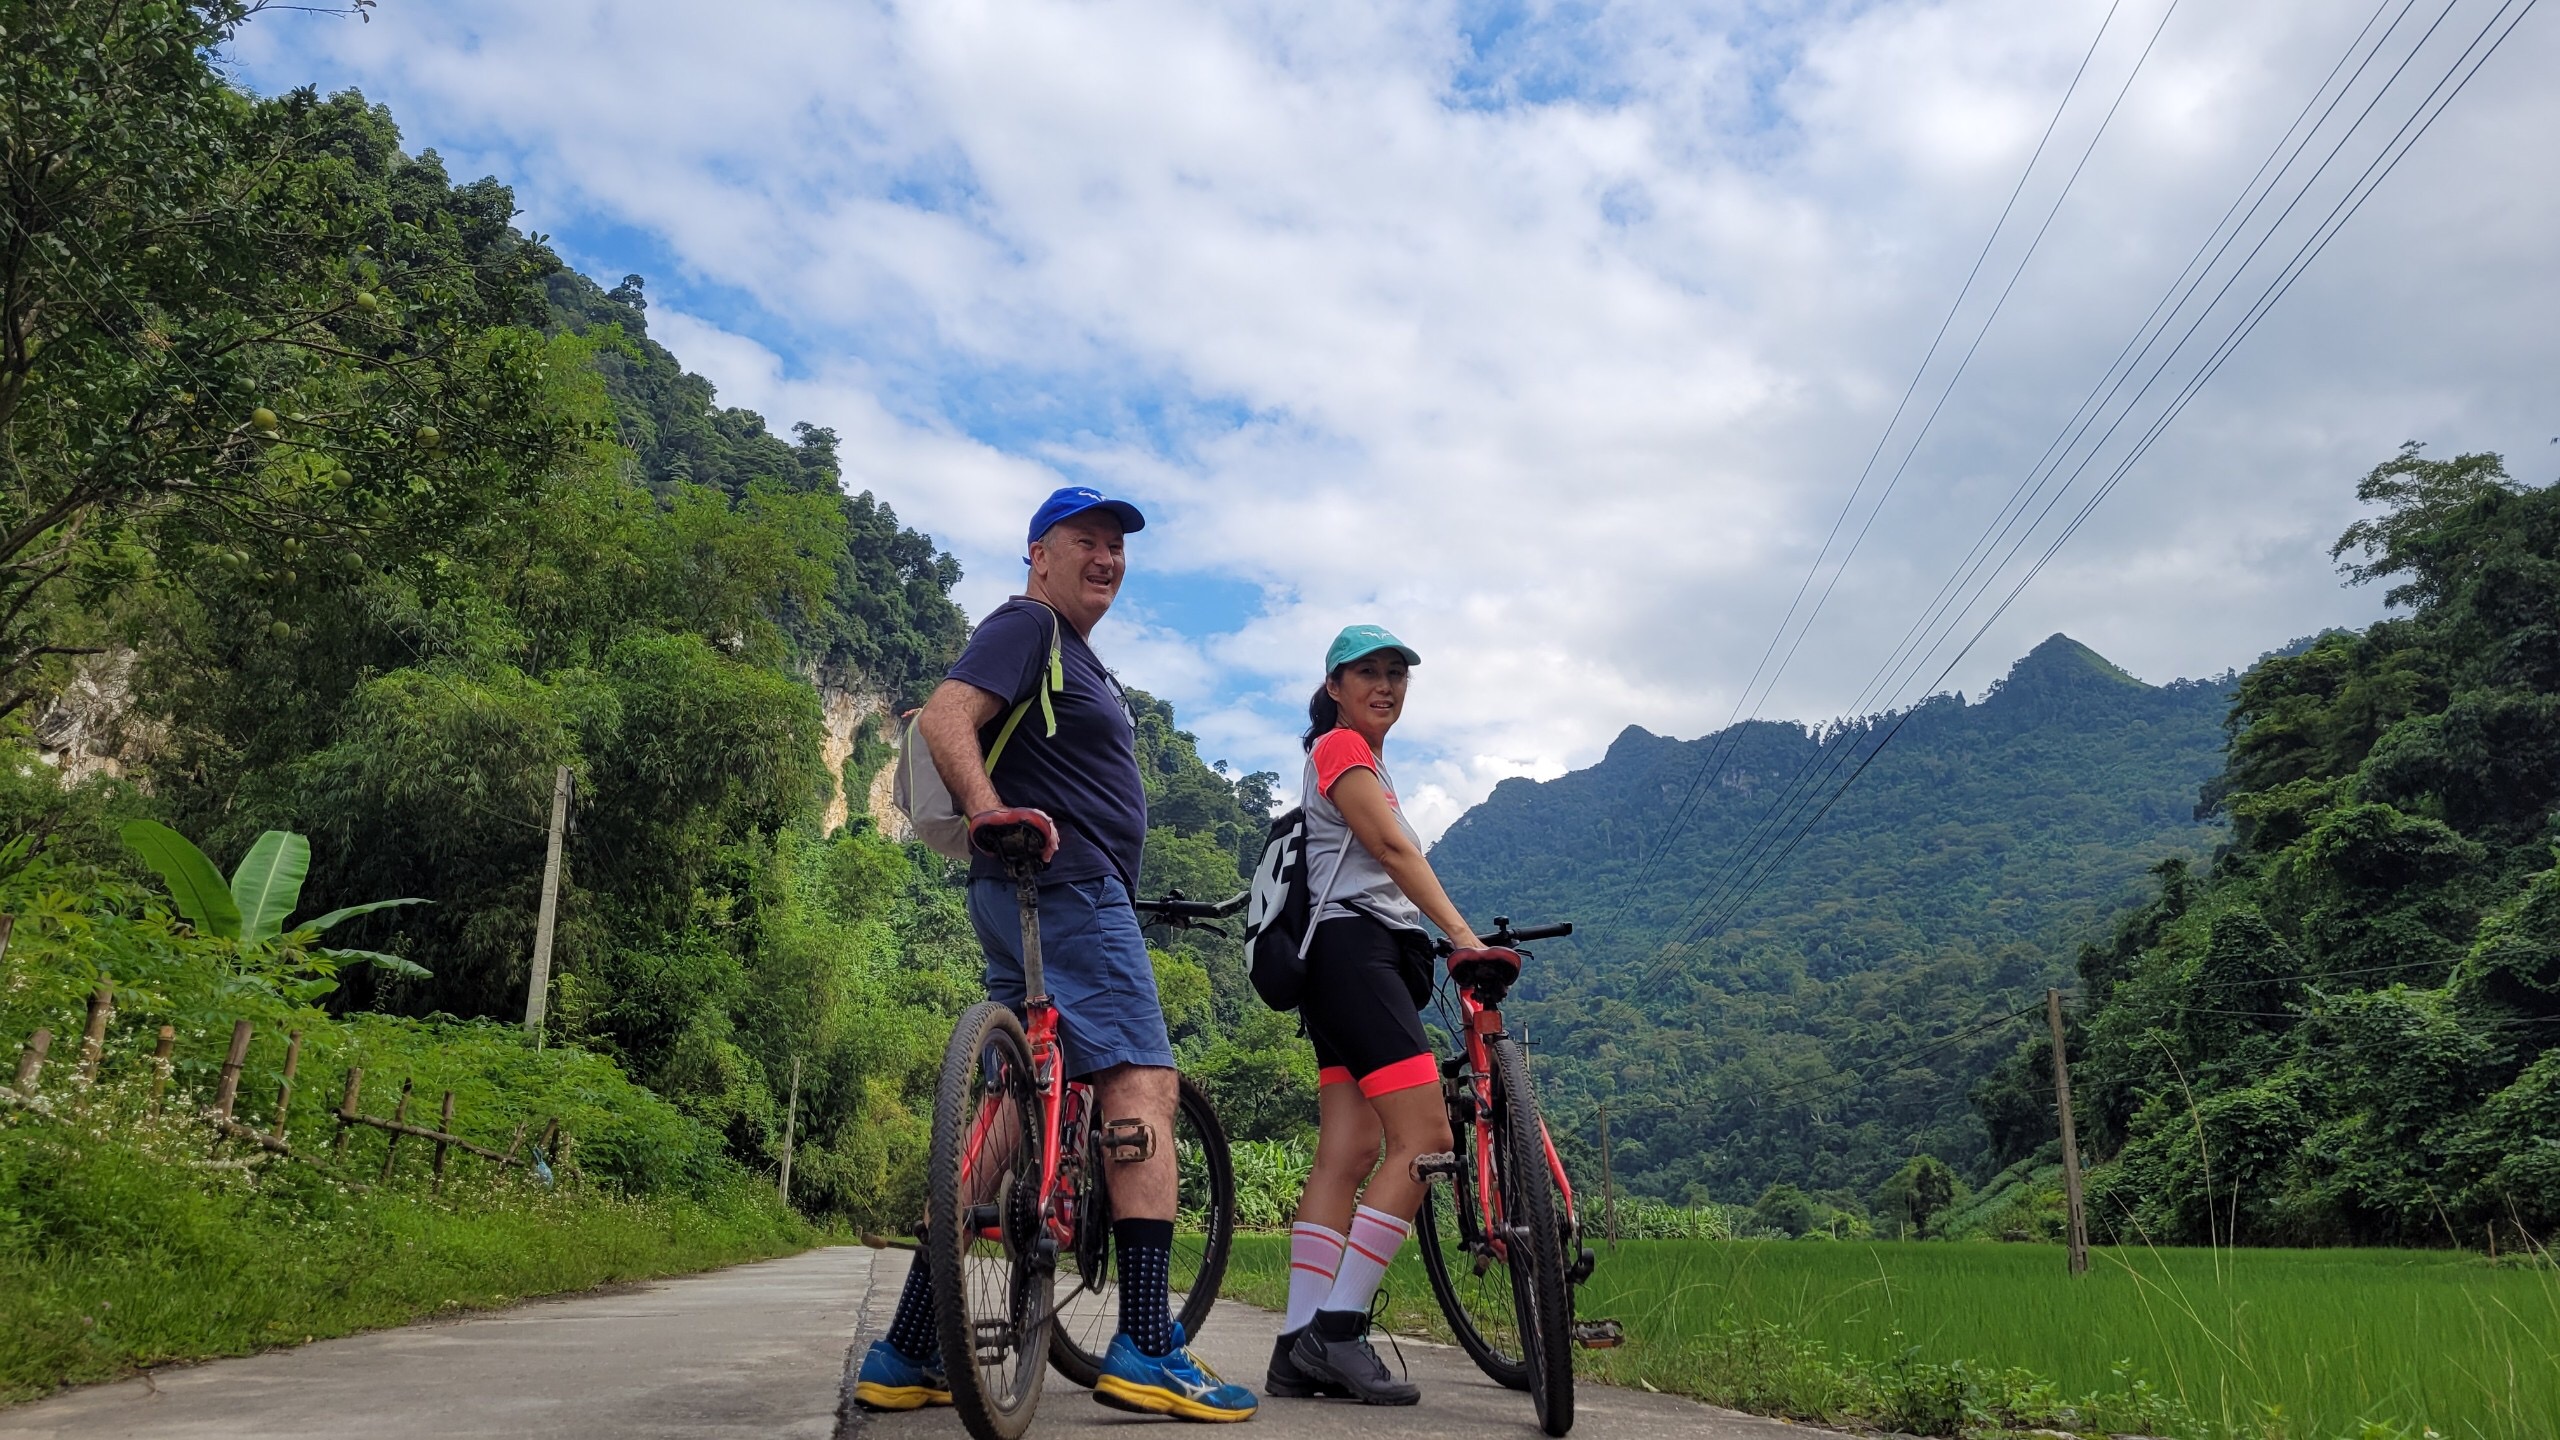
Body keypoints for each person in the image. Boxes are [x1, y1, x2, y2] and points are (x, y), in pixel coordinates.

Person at [854, 486, 1257, 1423]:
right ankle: (1148, 1342)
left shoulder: (1075, 655)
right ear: (1039, 554)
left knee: (1008, 1112)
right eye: (1087, 540)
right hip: (1065, 887)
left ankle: (909, 1346)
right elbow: (945, 717)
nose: (1107, 557)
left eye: (1117, 546)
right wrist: (992, 811)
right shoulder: (1029, 625)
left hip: (1021, 894)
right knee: (1140, 1083)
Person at [1265, 625, 1519, 1406]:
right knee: (1428, 1139)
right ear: (1334, 687)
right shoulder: (1342, 749)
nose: (1385, 685)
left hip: (1332, 965)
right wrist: (1465, 938)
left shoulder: (1352, 758)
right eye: (1367, 672)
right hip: (1356, 956)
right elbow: (1395, 852)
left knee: (1348, 1150)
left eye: (1396, 673)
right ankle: (1339, 1331)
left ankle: (1296, 1347)